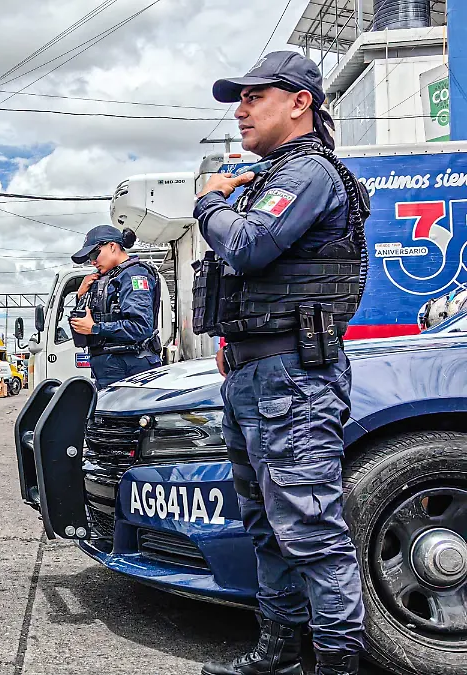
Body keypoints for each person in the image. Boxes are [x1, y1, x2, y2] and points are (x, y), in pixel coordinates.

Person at [193, 51, 370, 675]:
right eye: (239, 100)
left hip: (293, 379)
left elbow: (249, 246)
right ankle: (279, 653)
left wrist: (208, 203)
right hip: (256, 374)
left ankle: (338, 664)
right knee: (267, 527)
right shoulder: (271, 178)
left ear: (300, 103)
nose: (240, 112)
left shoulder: (308, 173)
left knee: (311, 532)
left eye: (253, 98)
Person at [68, 225, 162, 389]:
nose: (92, 261)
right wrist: (81, 296)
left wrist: (95, 328)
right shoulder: (110, 277)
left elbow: (141, 326)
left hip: (131, 369)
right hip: (113, 369)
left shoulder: (134, 275)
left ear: (112, 246)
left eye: (94, 254)